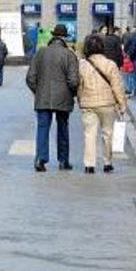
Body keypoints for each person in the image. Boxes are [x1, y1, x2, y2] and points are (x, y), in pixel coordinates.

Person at [26, 24, 79, 172]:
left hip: (42, 96)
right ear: (64, 38)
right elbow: (74, 81)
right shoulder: (69, 55)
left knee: (42, 128)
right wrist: (72, 93)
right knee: (63, 128)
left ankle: (40, 159)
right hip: (63, 97)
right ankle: (63, 160)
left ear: (53, 36)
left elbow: (30, 77)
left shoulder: (40, 53)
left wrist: (38, 91)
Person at [78, 34, 127, 174]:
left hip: (88, 104)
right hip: (107, 103)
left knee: (89, 134)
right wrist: (122, 104)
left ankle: (89, 164)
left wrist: (80, 99)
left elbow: (79, 86)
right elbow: (117, 87)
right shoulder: (110, 64)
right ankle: (107, 162)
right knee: (107, 133)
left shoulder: (82, 64)